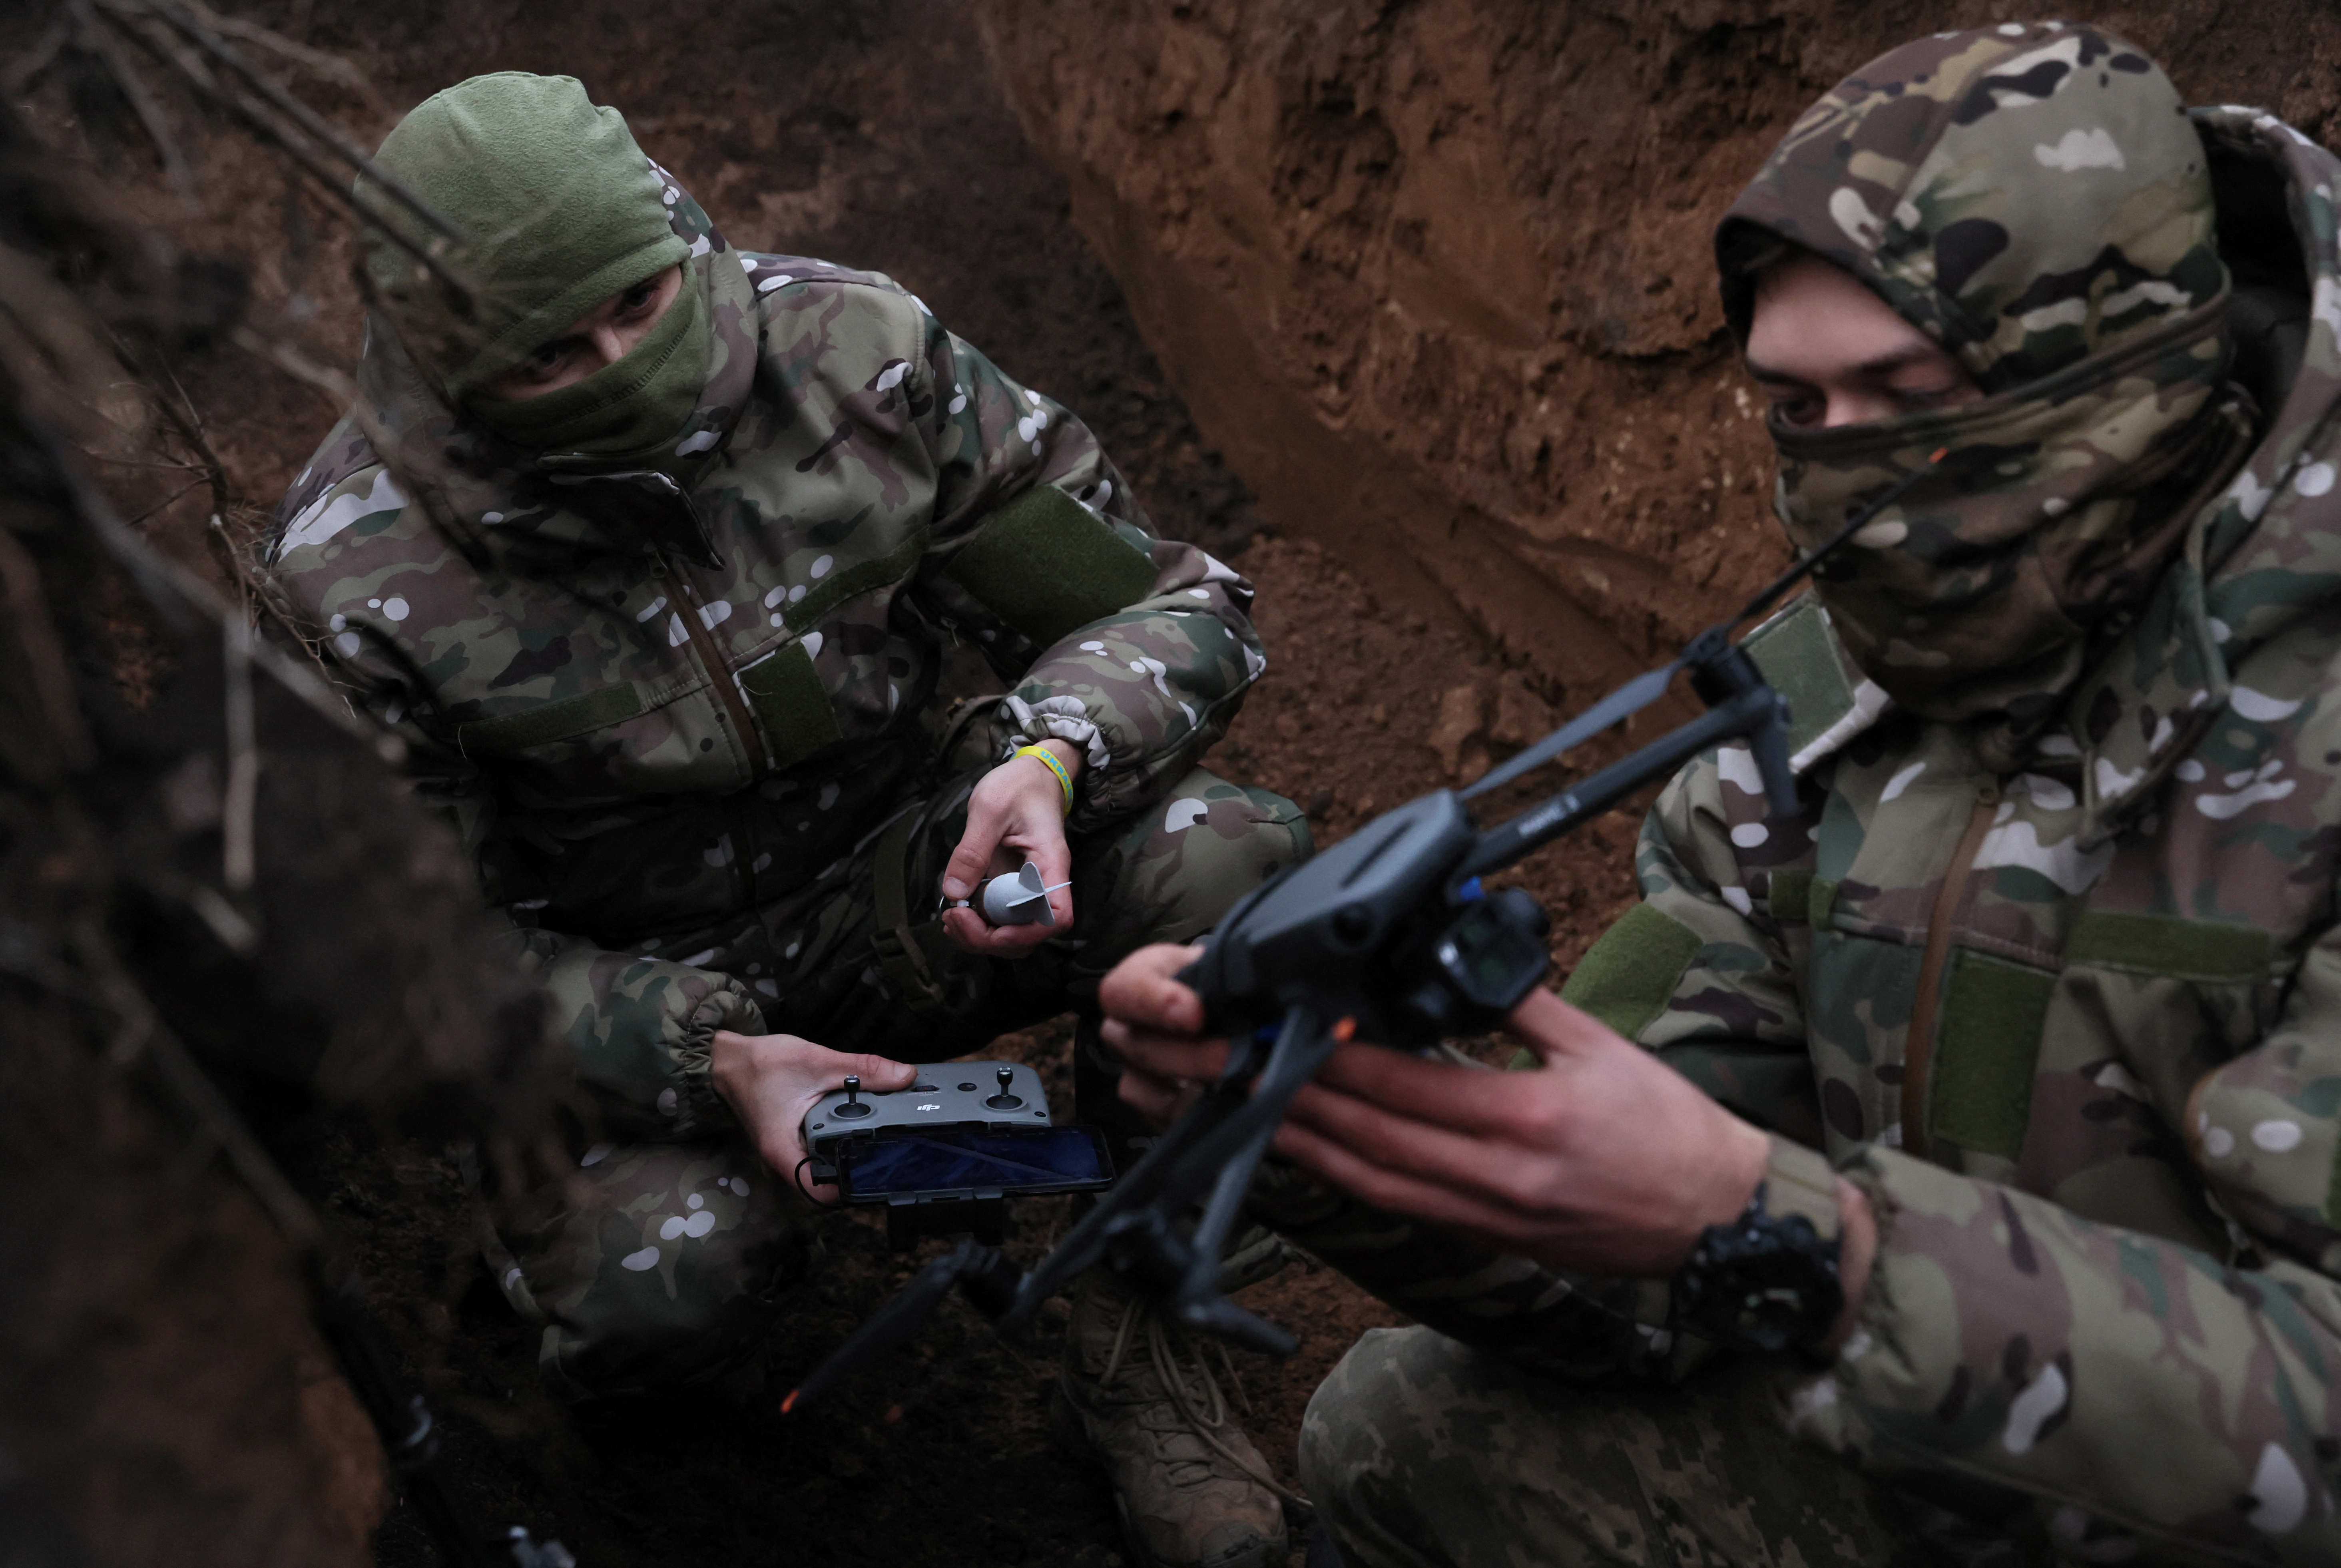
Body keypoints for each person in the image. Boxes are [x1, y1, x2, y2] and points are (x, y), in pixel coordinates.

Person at [1099, 23, 2341, 1566]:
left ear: (2120, 377)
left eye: (1904, 394)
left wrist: (1815, 1243)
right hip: (1948, 1439)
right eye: (1797, 408)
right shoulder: (1818, 707)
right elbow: (1640, 1267)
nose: (1842, 474)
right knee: (1409, 1429)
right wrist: (1341, 1130)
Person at [262, 73, 1306, 1568]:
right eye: (550, 355)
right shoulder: (352, 578)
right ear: (447, 363)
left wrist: (1048, 753)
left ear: (673, 229)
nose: (625, 366)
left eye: (639, 303)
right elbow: (401, 968)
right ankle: (667, 1442)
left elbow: (1167, 603)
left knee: (1228, 855)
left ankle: (1142, 1336)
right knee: (659, 1288)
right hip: (625, 999)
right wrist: (709, 1056)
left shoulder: (858, 353)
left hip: (917, 882)